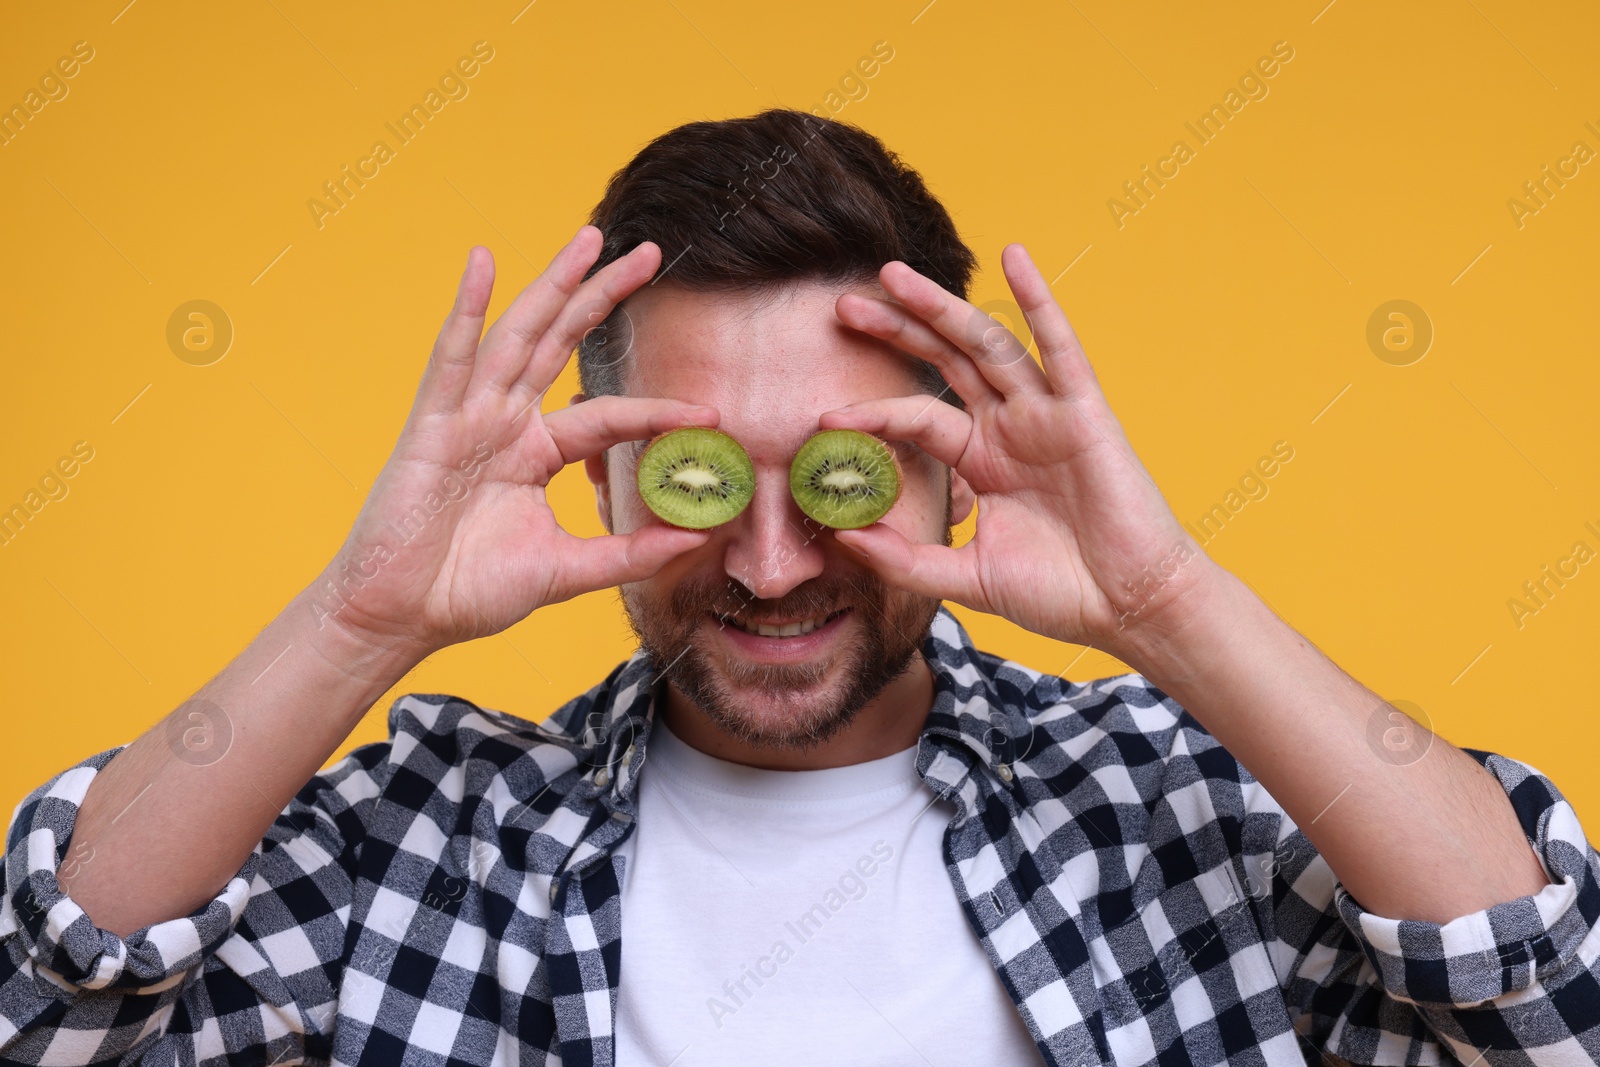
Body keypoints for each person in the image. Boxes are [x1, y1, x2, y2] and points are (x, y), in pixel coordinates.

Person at [2, 108, 1595, 1067]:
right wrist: (363, 617)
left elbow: (1543, 1005)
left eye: (842, 474)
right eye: (700, 477)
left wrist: (1168, 597)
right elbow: (49, 1008)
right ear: (603, 470)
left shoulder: (1167, 808)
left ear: (957, 460)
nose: (769, 565)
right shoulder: (434, 836)